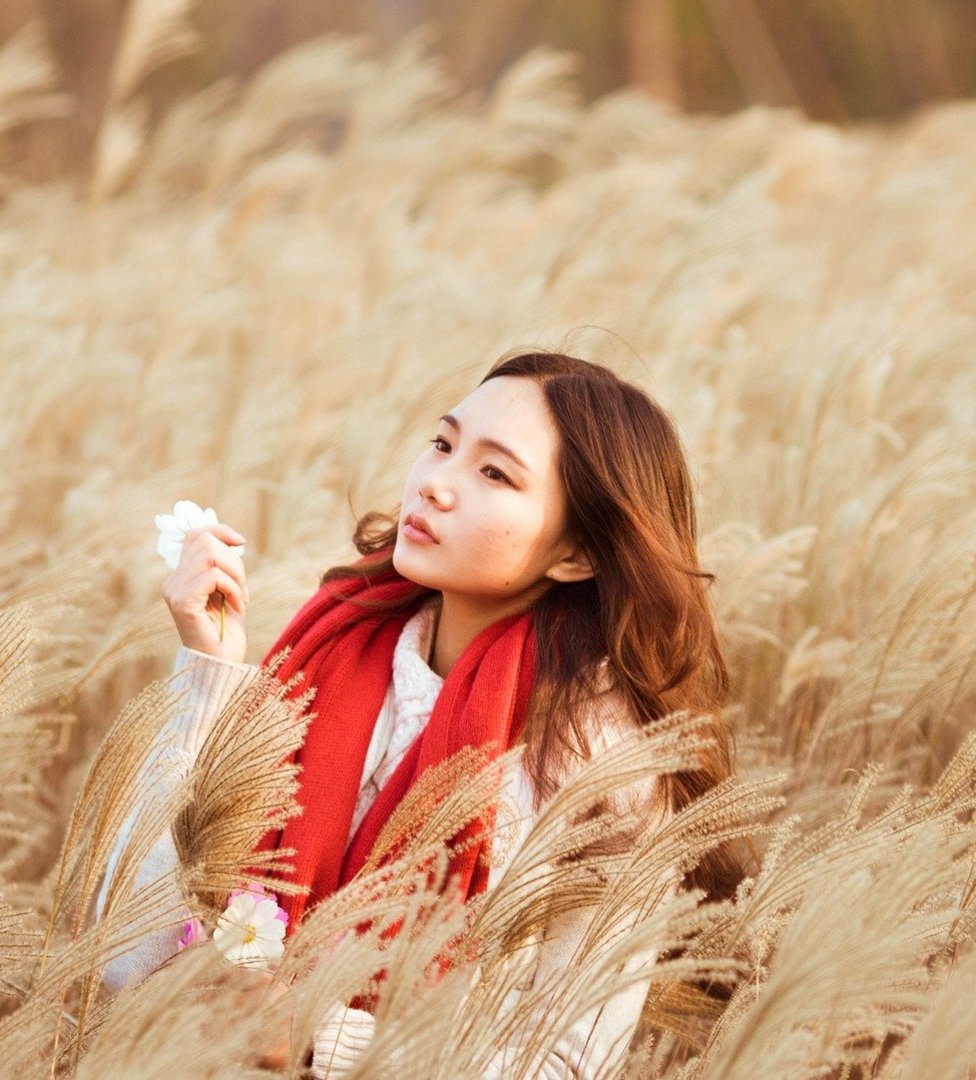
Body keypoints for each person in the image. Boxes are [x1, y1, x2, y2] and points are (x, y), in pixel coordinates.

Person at [93, 351, 748, 1076]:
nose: (435, 483)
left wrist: (321, 1037)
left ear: (575, 554)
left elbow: (570, 1059)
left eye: (494, 472)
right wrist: (208, 675)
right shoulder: (325, 655)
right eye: (442, 444)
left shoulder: (599, 767)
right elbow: (123, 948)